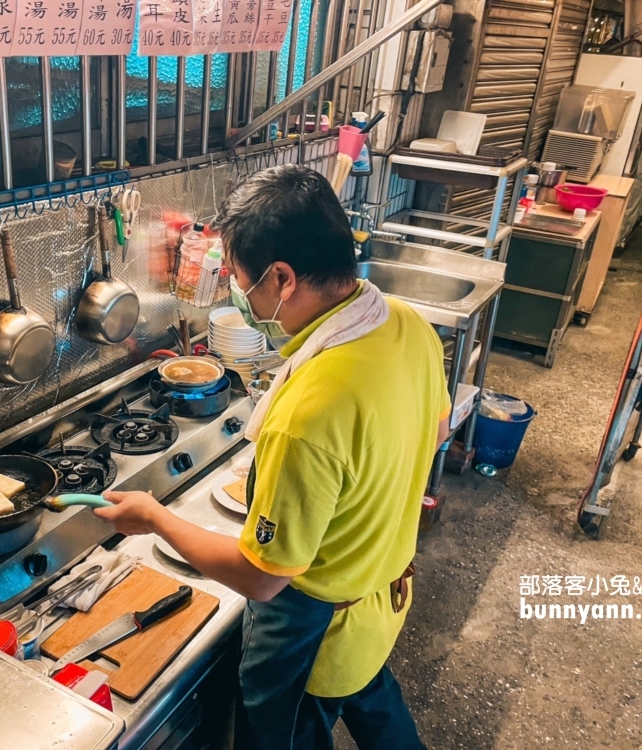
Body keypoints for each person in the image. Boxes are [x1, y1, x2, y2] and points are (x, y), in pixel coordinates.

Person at [96, 164, 451, 750]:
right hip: (381, 594)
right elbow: (435, 428)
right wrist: (363, 508)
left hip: (316, 636)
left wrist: (155, 517)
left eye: (240, 278)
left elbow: (262, 580)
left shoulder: (310, 410)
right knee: (374, 700)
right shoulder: (405, 323)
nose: (238, 293)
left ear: (282, 276)